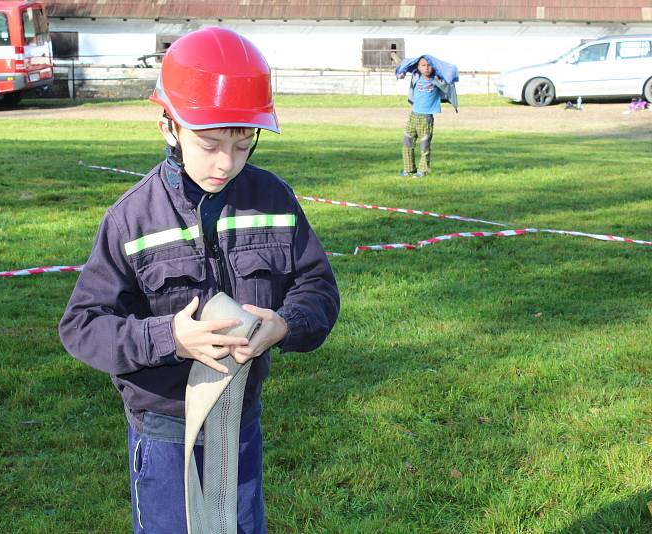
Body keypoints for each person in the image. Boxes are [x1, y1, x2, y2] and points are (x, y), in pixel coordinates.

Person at [59, 26, 340, 534]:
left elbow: (317, 289)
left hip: (240, 421)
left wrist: (285, 324)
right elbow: (82, 326)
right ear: (169, 125)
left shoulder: (273, 199)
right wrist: (171, 337)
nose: (226, 162)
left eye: (242, 142)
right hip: (165, 429)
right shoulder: (131, 220)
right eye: (209, 143)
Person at [399, 56, 453, 178]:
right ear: (418, 67)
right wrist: (400, 74)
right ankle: (409, 169)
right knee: (407, 143)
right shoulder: (416, 76)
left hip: (426, 118)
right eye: (423, 65)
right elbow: (402, 68)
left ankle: (422, 171)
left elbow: (449, 81)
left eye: (429, 65)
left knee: (424, 146)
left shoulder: (437, 80)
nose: (426, 68)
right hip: (413, 115)